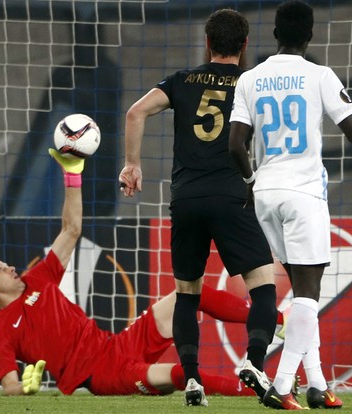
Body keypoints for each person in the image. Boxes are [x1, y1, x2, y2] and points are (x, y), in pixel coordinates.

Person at [0, 148, 282, 399]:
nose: (10, 267)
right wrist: (24, 387)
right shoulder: (1, 331)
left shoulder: (36, 280)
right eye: (0, 269)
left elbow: (71, 230)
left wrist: (72, 175)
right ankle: (249, 391)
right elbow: (9, 384)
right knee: (178, 374)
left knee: (187, 294)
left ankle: (278, 321)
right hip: (102, 375)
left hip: (116, 345)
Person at [228, 0, 352, 410]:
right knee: (309, 294)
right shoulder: (319, 75)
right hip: (303, 192)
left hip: (265, 194)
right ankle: (283, 384)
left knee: (304, 291)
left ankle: (317, 383)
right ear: (309, 36)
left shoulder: (250, 79)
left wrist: (254, 181)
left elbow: (235, 145)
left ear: (274, 33)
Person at [118, 9, 281, 406]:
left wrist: (132, 164)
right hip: (232, 195)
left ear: (208, 43)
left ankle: (192, 382)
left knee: (187, 295)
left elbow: (135, 111)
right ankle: (254, 362)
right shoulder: (252, 83)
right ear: (244, 46)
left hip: (187, 198)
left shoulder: (182, 81)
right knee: (264, 289)